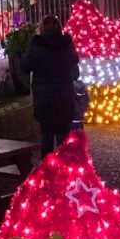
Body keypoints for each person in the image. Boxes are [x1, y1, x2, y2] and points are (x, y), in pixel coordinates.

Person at [20, 15, 80, 155]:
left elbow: (24, 67)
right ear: (59, 28)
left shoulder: (37, 46)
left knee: (46, 139)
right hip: (64, 99)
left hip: (44, 100)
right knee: (63, 139)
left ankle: (47, 172)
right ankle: (64, 172)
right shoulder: (66, 44)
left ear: (41, 29)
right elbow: (75, 69)